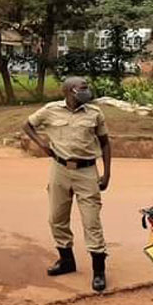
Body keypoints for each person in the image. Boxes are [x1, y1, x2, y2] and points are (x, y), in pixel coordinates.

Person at [22, 76, 112, 291]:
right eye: (83, 87)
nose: (87, 90)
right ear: (70, 91)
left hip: (87, 171)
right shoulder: (51, 110)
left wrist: (107, 174)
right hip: (59, 170)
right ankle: (67, 261)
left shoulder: (95, 113)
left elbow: (105, 143)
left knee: (91, 221)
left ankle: (99, 271)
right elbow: (27, 125)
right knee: (56, 218)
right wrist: (42, 144)